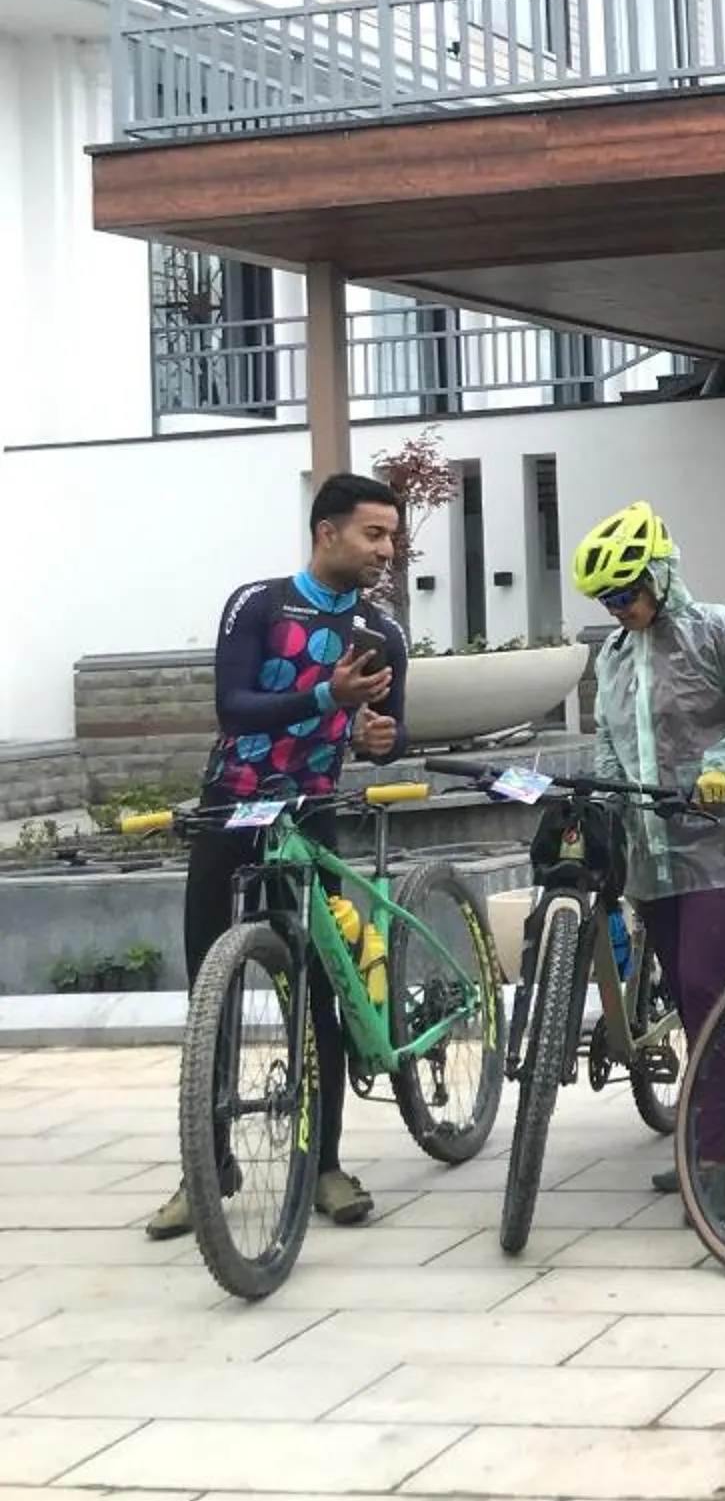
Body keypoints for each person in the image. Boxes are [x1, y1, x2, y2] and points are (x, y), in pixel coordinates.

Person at [147, 472, 409, 1239]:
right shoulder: (257, 605)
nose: (386, 550)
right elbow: (233, 708)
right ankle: (207, 1170)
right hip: (231, 811)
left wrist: (380, 740)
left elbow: (394, 735)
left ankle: (324, 1164)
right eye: (373, 533)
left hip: (312, 819)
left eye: (392, 535)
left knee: (318, 991)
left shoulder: (382, 633)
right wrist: (328, 699)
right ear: (326, 532)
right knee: (211, 998)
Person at [575, 501, 725, 1221]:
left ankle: (706, 1159)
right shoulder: (612, 658)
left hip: (721, 841)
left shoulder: (724, 634)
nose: (621, 608)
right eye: (608, 599)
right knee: (695, 998)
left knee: (706, 984)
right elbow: (610, 743)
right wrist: (608, 805)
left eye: (629, 591)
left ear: (663, 574)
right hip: (651, 851)